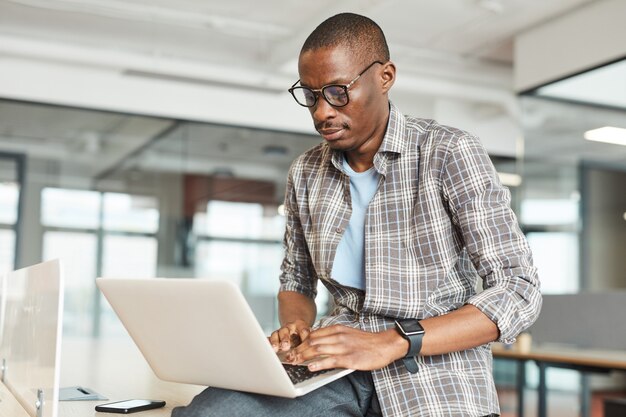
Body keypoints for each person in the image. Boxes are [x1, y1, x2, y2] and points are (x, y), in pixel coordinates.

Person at [173, 12, 541, 417]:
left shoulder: (447, 152)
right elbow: (296, 279)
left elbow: (518, 290)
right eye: (311, 95)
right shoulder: (306, 171)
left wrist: (391, 341)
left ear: (385, 77)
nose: (321, 112)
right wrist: (296, 328)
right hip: (335, 360)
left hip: (434, 370)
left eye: (337, 91)